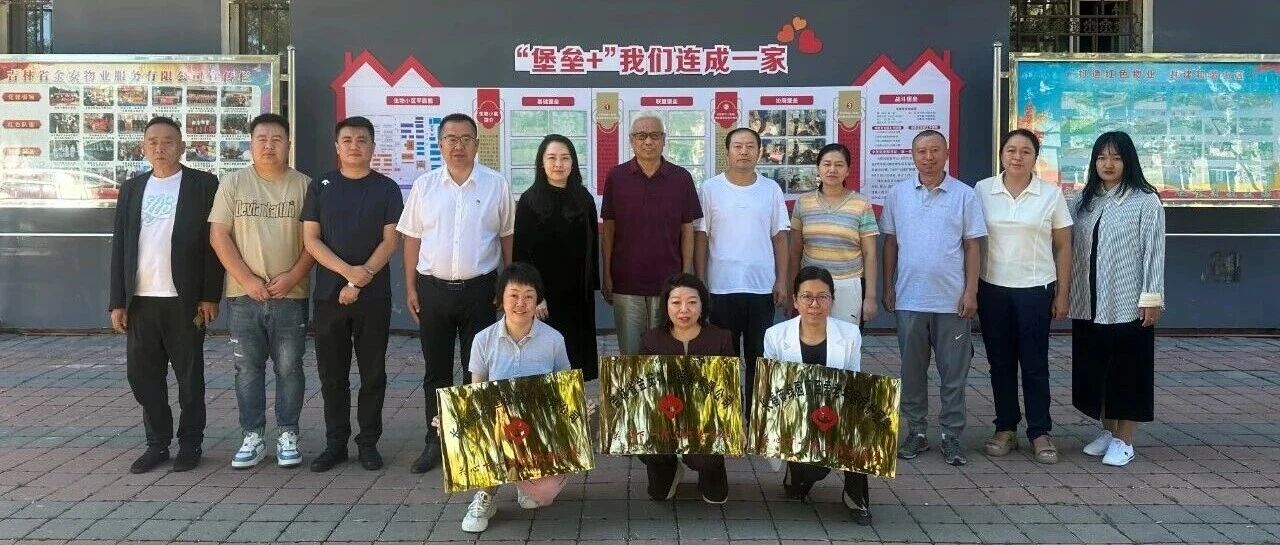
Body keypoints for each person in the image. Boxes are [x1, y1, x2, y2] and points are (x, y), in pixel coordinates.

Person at [399, 113, 514, 473]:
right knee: (436, 372)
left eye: (466, 138)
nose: (458, 145)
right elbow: (412, 238)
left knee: (476, 369)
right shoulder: (425, 186)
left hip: (480, 290)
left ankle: (471, 441)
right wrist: (410, 286)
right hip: (432, 290)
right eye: (451, 138)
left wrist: (507, 286)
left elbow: (507, 237)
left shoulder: (495, 184)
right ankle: (436, 440)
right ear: (440, 144)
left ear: (477, 144)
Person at [108, 116, 222, 473]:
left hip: (184, 300)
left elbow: (214, 246)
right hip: (141, 300)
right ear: (144, 148)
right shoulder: (132, 188)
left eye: (168, 141)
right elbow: (121, 245)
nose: (160, 148)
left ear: (182, 146)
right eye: (153, 142)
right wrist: (117, 301)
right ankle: (157, 443)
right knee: (143, 377)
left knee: (189, 378)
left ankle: (190, 443)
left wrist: (210, 295)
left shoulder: (203, 185)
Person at [209, 113, 314, 469]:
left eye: (277, 139)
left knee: (290, 368)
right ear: (251, 144)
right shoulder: (233, 183)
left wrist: (292, 276)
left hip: (291, 295)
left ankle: (288, 433)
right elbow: (219, 236)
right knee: (247, 369)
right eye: (262, 139)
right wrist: (248, 280)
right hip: (244, 296)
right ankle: (252, 436)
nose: (269, 146)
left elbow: (314, 241)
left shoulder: (304, 186)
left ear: (289, 145)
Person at [301, 116, 403, 472]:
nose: (354, 146)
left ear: (373, 147)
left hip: (373, 297)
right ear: (337, 146)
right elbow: (311, 240)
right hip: (329, 296)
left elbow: (391, 241)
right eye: (347, 140)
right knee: (332, 375)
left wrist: (360, 281)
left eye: (362, 140)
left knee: (373, 373)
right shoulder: (321, 186)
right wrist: (348, 275)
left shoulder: (387, 188)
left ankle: (369, 443)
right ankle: (336, 443)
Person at [881, 130, 986, 466]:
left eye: (935, 150)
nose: (928, 157)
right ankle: (916, 431)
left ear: (946, 153)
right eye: (922, 151)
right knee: (912, 372)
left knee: (953, 374)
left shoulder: (964, 195)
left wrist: (971, 291)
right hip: (910, 299)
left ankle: (952, 435)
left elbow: (973, 246)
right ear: (912, 156)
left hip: (952, 302)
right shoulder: (898, 194)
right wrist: (888, 286)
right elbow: (890, 244)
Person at [974, 129, 1073, 464]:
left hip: (1036, 290)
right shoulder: (982, 190)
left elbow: (1063, 246)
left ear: (1035, 158)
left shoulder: (1050, 194)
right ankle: (1005, 428)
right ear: (1002, 154)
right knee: (999, 363)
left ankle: (1039, 431)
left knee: (1035, 364)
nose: (1017, 157)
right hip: (992, 289)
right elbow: (971, 241)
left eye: (1025, 151)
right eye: (1011, 150)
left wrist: (1063, 293)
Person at [1069, 131, 1165, 467]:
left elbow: (1154, 252)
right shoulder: (1084, 201)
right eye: (1101, 157)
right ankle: (1109, 431)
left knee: (1128, 372)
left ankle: (1125, 440)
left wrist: (1151, 298)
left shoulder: (1145, 200)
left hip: (1126, 303)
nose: (1108, 164)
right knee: (1098, 371)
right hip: (1088, 301)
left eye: (1116, 158)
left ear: (1129, 161)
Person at [454, 263, 572, 533]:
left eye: (529, 296)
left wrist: (576, 407)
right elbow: (476, 392)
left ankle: (524, 481)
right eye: (514, 295)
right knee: (475, 427)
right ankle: (485, 495)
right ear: (500, 299)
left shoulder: (554, 339)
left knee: (543, 495)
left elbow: (565, 387)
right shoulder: (482, 340)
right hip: (498, 425)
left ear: (538, 299)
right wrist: (453, 415)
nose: (521, 303)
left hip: (539, 429)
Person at [762, 266, 869, 524]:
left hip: (836, 415)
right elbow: (772, 389)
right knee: (812, 473)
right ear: (795, 301)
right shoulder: (775, 336)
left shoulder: (850, 334)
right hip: (794, 420)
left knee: (862, 422)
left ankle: (856, 497)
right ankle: (795, 474)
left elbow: (853, 385)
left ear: (832, 300)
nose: (814, 304)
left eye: (822, 297)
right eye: (807, 297)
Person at [695, 127, 789, 401]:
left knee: (759, 358)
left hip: (761, 288)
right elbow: (701, 237)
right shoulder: (710, 188)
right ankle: (729, 417)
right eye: (737, 146)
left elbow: (780, 237)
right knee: (726, 360)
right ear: (727, 152)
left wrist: (782, 280)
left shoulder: (771, 189)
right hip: (721, 287)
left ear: (759, 152)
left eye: (750, 146)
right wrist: (700, 281)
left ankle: (755, 416)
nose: (744, 151)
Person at [600, 112, 703, 356]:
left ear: (664, 140)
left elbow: (687, 229)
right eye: (641, 136)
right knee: (631, 355)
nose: (648, 141)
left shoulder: (681, 178)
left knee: (667, 353)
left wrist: (685, 273)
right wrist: (607, 275)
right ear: (631, 140)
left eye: (655, 135)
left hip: (670, 284)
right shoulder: (616, 177)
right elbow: (609, 230)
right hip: (626, 281)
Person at [637, 273, 735, 504]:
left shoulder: (720, 338)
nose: (684, 310)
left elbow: (729, 390)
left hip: (706, 424)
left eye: (692, 302)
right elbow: (641, 392)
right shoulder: (651, 339)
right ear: (666, 305)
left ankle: (711, 471)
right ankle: (669, 467)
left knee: (715, 492)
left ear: (703, 305)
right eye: (676, 302)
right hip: (663, 420)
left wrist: (733, 427)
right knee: (659, 493)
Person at [513, 135, 600, 380]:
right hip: (544, 299)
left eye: (565, 158)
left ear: (573, 163)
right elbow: (521, 253)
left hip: (578, 297)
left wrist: (592, 287)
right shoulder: (530, 200)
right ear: (542, 163)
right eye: (551, 158)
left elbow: (592, 246)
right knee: (544, 363)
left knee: (575, 362)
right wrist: (535, 296)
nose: (558, 164)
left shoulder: (584, 198)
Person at [789, 143, 880, 325]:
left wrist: (870, 297)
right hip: (810, 285)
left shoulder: (861, 203)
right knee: (809, 339)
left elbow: (870, 254)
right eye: (827, 164)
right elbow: (795, 252)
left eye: (839, 165)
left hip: (848, 285)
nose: (832, 169)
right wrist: (791, 289)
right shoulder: (803, 203)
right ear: (818, 168)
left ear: (848, 171)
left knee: (845, 340)